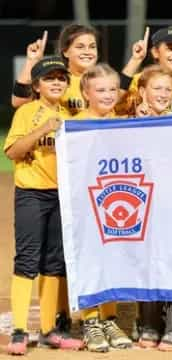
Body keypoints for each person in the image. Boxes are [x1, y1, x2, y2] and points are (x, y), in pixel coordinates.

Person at [4, 56, 84, 355]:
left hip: (62, 196)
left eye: (61, 78)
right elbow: (13, 151)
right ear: (36, 85)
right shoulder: (27, 112)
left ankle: (50, 330)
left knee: (55, 263)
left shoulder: (71, 114)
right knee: (27, 260)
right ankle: (20, 331)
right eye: (49, 78)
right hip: (33, 194)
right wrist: (44, 129)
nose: (57, 82)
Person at [129, 65, 172, 351]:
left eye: (168, 89)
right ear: (142, 92)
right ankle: (149, 322)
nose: (164, 94)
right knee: (146, 260)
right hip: (143, 207)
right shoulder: (125, 124)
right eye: (157, 88)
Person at [72, 63, 133, 352]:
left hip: (116, 204)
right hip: (87, 207)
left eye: (112, 89)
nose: (108, 95)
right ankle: (91, 321)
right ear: (86, 93)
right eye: (101, 90)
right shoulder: (75, 126)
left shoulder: (122, 123)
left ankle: (109, 318)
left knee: (113, 260)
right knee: (90, 261)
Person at [12, 24, 99, 116]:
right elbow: (19, 103)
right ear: (65, 52)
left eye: (92, 47)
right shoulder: (59, 79)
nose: (87, 51)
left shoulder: (106, 80)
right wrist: (31, 61)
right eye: (80, 47)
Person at [119, 25, 172, 115]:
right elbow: (116, 103)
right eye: (171, 48)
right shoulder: (138, 80)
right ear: (155, 52)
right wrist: (136, 59)